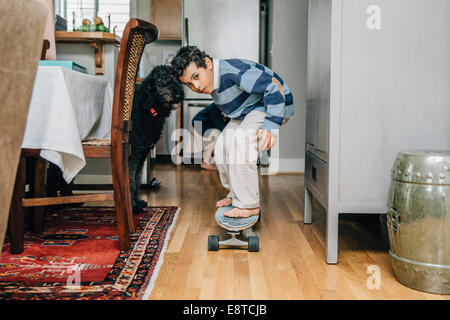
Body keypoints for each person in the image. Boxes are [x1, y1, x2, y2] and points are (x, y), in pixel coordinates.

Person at [171, 46, 293, 218]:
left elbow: (273, 87)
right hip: (247, 111)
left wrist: (271, 123)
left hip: (270, 105)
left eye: (196, 76)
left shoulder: (233, 71)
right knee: (222, 146)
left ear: (208, 64)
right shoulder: (212, 83)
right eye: (189, 84)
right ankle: (236, 195)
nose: (196, 86)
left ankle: (249, 204)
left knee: (240, 142)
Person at [191, 103, 229, 171]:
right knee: (219, 138)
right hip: (199, 126)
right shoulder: (214, 107)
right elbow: (220, 124)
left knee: (221, 137)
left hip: (209, 127)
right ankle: (206, 162)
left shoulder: (226, 109)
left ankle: (213, 162)